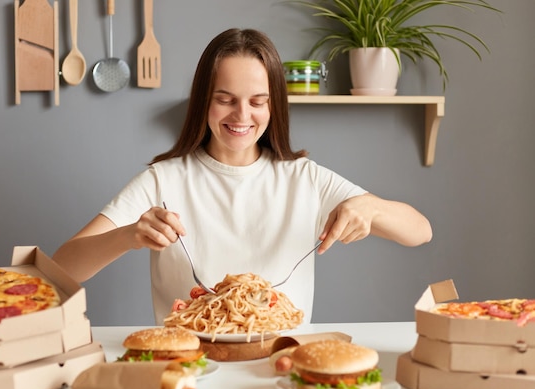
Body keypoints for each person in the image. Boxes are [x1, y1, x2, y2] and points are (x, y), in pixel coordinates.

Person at [52, 28, 432, 325]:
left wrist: (370, 207)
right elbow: (62, 268)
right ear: (203, 100)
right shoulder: (162, 180)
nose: (242, 115)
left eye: (258, 101)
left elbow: (420, 231)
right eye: (225, 99)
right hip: (189, 368)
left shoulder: (305, 179)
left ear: (275, 104)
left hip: (280, 367)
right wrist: (128, 235)